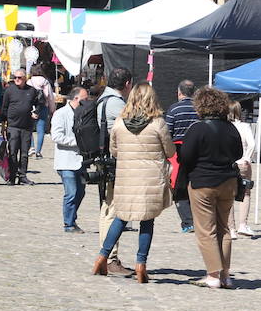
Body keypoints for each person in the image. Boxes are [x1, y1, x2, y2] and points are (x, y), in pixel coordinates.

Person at [91, 82, 174, 284]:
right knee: (147, 220)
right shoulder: (158, 123)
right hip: (150, 178)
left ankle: (102, 256)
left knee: (121, 217)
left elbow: (115, 150)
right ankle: (140, 264)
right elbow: (170, 151)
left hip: (127, 176)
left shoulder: (120, 123)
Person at [178, 85, 244, 289]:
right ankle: (226, 275)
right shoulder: (231, 128)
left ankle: (213, 275)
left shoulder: (197, 129)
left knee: (206, 230)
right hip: (228, 182)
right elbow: (238, 153)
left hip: (203, 182)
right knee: (224, 228)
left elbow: (185, 156)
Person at [95, 69, 132, 274]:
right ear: (127, 83)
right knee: (112, 209)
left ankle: (108, 255)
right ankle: (109, 257)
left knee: (108, 207)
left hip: (107, 161)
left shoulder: (104, 98)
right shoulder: (116, 103)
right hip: (114, 162)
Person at [164, 80, 200, 233]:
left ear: (179, 92)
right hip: (198, 152)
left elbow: (167, 133)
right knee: (196, 186)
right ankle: (198, 220)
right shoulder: (200, 109)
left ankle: (188, 222)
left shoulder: (173, 109)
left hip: (178, 153)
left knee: (179, 188)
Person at [52, 86, 88, 232]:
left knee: (80, 192)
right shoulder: (61, 114)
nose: (87, 102)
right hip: (66, 161)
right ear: (76, 99)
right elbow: (56, 136)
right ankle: (69, 223)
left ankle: (72, 219)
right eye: (85, 99)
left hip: (80, 160)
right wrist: (77, 141)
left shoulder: (84, 114)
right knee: (71, 192)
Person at [0, 68, 40, 185]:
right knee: (12, 152)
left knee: (24, 153)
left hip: (27, 126)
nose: (17, 79)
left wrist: (36, 112)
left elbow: (39, 103)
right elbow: (4, 108)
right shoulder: (9, 90)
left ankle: (22, 175)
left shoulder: (32, 91)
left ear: (25, 79)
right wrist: (3, 125)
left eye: (19, 78)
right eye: (15, 77)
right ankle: (12, 176)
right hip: (13, 126)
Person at [228, 100, 257, 237]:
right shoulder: (245, 127)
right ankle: (243, 224)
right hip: (243, 163)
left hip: (229, 164)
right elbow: (252, 144)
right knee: (245, 193)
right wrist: (247, 157)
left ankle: (231, 228)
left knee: (229, 196)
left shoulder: (226, 127)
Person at [28, 64, 55, 158]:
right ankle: (38, 151)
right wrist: (52, 109)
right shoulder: (45, 82)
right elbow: (50, 97)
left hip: (31, 107)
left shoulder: (29, 81)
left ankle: (31, 147)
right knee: (41, 130)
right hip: (43, 107)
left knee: (29, 128)